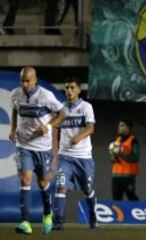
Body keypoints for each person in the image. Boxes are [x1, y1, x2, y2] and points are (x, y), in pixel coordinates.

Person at [9, 66, 66, 235]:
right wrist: (13, 129)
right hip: (23, 145)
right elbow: (14, 109)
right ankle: (25, 221)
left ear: (35, 80)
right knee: (25, 180)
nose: (24, 84)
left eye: (27, 81)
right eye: (22, 80)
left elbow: (62, 113)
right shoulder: (15, 94)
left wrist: (48, 126)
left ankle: (47, 214)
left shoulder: (46, 96)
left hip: (42, 147)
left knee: (42, 182)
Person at [52, 78, 98, 231]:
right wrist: (55, 152)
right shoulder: (61, 109)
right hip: (65, 156)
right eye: (66, 88)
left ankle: (93, 216)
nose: (69, 91)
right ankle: (57, 222)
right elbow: (56, 131)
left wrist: (79, 137)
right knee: (61, 187)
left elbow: (91, 128)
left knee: (87, 189)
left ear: (79, 90)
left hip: (83, 157)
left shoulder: (86, 107)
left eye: (72, 88)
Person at [109, 118, 140, 201]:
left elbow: (136, 157)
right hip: (116, 175)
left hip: (128, 175)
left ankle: (138, 212)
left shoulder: (133, 140)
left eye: (122, 125)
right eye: (119, 125)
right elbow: (113, 159)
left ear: (128, 127)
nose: (119, 127)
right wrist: (113, 157)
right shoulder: (117, 140)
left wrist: (121, 155)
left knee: (131, 197)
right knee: (116, 200)